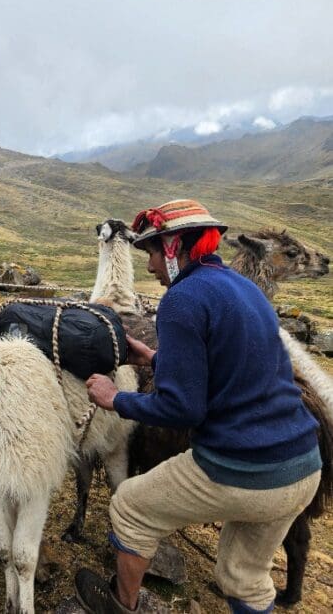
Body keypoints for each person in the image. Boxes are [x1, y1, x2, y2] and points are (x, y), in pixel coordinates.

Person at [75, 199, 322, 614]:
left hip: (242, 467)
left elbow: (182, 410)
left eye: (153, 251)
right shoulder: (246, 290)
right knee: (242, 574)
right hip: (302, 465)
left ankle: (120, 605)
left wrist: (114, 398)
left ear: (173, 247)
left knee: (130, 505)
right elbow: (231, 368)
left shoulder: (183, 298)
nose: (150, 265)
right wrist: (157, 360)